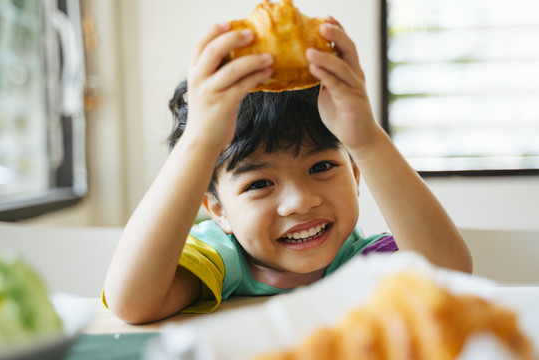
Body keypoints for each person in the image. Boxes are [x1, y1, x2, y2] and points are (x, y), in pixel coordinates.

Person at [103, 17, 473, 324]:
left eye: (322, 166)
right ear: (218, 210)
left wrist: (367, 141)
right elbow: (132, 304)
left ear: (356, 176)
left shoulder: (363, 265)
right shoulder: (219, 261)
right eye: (260, 183)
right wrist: (200, 141)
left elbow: (448, 279)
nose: (300, 202)